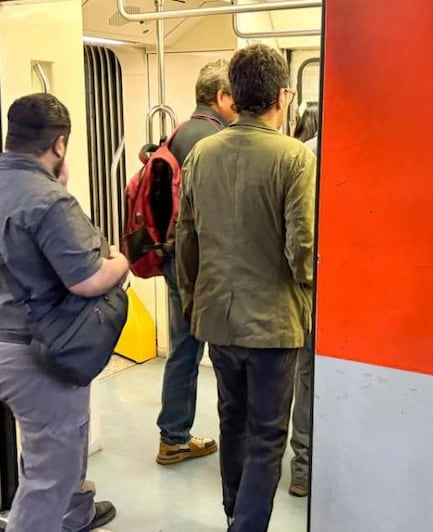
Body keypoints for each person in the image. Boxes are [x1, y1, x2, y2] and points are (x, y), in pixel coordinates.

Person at [0, 93, 128, 531]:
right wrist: (122, 262)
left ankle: (74, 516)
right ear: (59, 144)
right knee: (49, 477)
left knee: (47, 449)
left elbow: (21, 254)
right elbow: (87, 279)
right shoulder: (49, 200)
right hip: (40, 355)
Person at [177, 44, 316, 531]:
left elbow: (186, 239)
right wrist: (311, 291)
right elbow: (302, 249)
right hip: (275, 325)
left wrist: (194, 302)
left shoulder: (201, 154)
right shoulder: (294, 157)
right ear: (283, 96)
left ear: (233, 96)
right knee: (268, 435)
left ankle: (233, 513)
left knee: (231, 421)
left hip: (217, 318)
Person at [156, 59, 238, 465]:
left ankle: (173, 436)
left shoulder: (177, 134)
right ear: (220, 97)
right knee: (224, 354)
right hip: (203, 265)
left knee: (183, 350)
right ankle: (212, 440)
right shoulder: (214, 141)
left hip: (174, 257)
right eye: (235, 97)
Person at [288, 102, 321, 498]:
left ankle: (303, 468)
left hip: (312, 283)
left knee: (308, 376)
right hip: (333, 283)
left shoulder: (302, 154)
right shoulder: (303, 156)